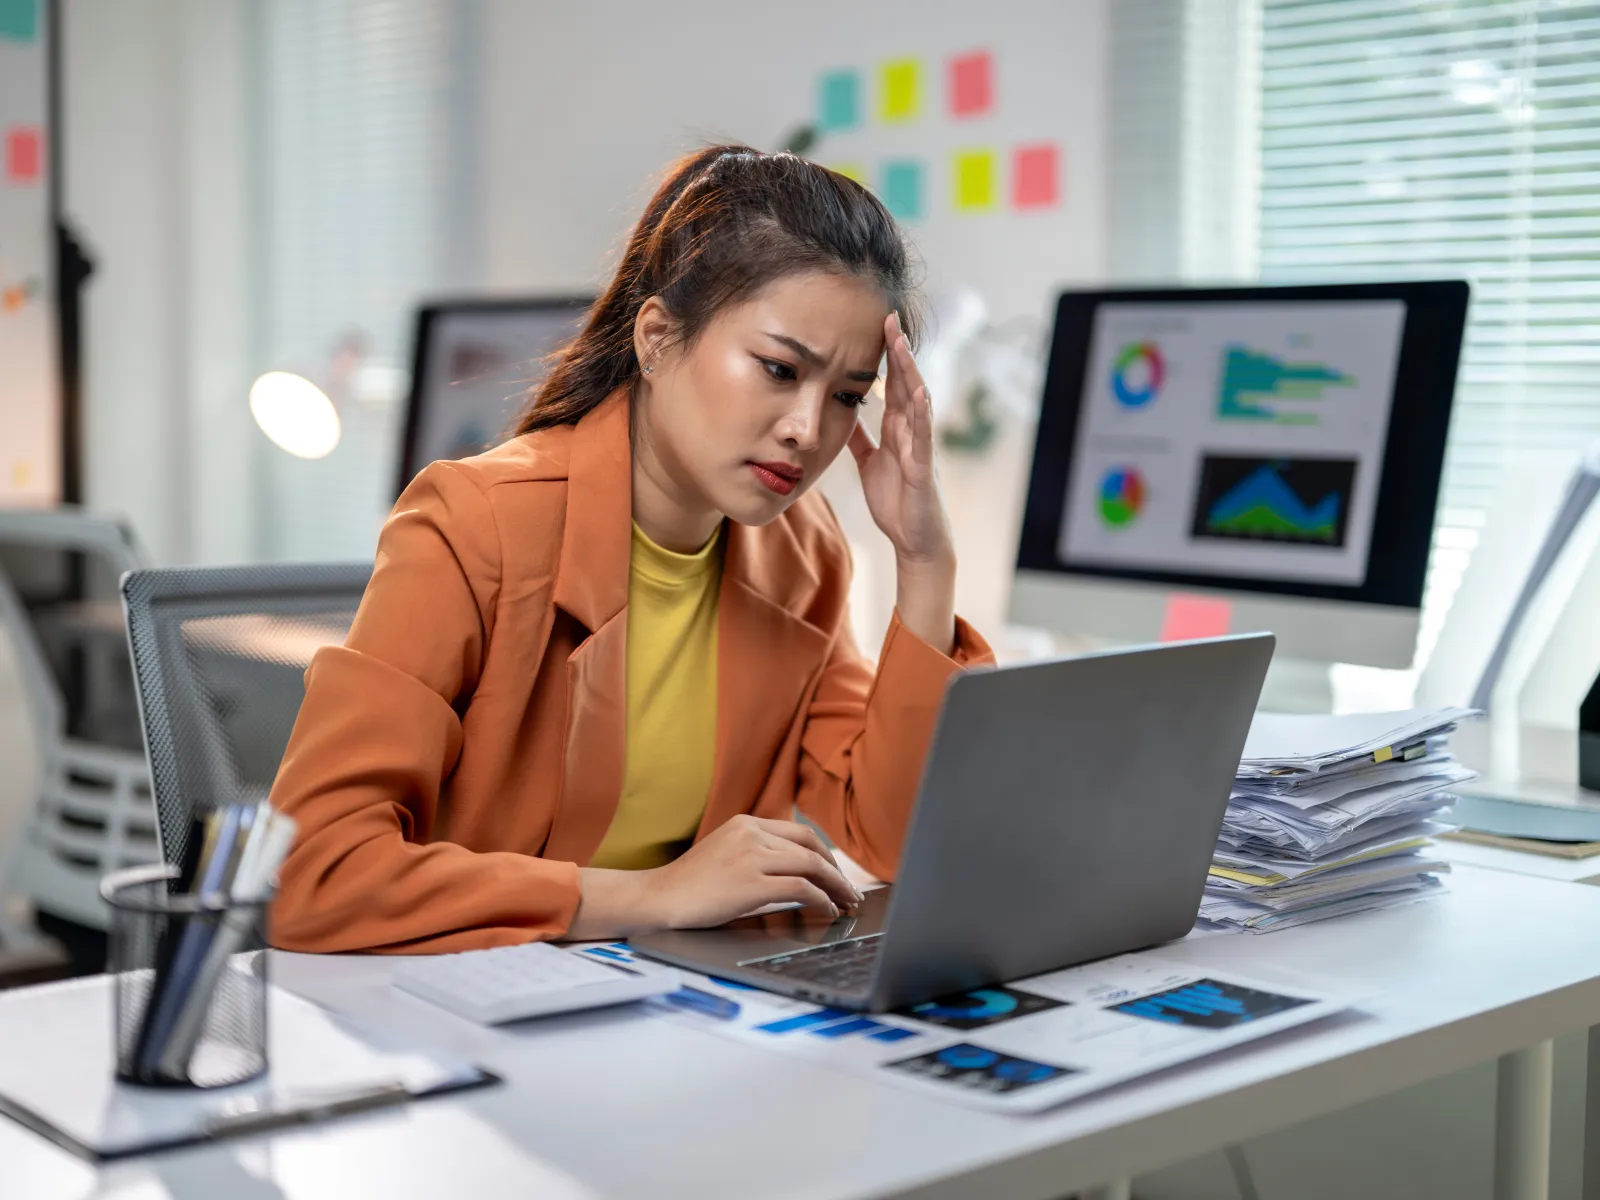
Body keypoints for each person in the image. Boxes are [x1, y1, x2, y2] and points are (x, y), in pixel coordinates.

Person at [269, 146, 994, 954]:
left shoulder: (802, 552)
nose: (808, 429)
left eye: (849, 396)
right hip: (463, 1012)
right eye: (780, 369)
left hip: (672, 1010)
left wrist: (926, 564)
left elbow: (891, 837)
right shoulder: (474, 524)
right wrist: (652, 896)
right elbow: (315, 873)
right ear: (656, 338)